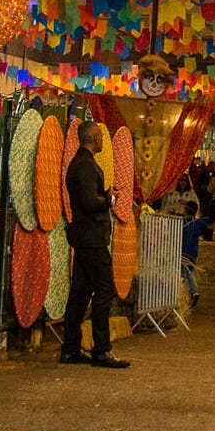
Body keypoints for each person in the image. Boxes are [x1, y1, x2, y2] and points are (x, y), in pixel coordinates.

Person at [60, 120, 130, 368]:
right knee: (104, 290)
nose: (103, 141)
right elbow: (90, 202)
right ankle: (102, 349)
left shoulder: (80, 164)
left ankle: (70, 348)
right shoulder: (85, 166)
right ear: (93, 138)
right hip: (91, 237)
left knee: (80, 293)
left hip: (83, 236)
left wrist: (106, 193)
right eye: (101, 136)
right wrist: (110, 199)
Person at [180, 212, 209, 309]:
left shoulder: (182, 222)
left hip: (183, 252)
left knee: (183, 273)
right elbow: (209, 228)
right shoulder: (198, 222)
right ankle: (194, 292)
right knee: (191, 272)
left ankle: (183, 294)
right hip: (193, 253)